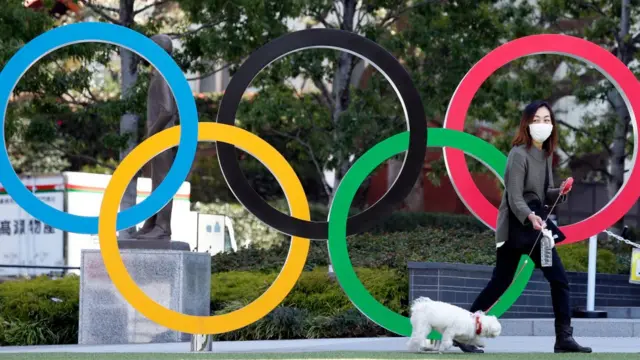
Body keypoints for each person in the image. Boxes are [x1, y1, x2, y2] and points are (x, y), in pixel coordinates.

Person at [454, 100, 592, 354]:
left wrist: (560, 193)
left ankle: (563, 338)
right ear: (527, 124)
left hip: (535, 226)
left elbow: (543, 196)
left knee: (551, 280)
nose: (542, 124)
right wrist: (530, 217)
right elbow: (514, 196)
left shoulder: (545, 155)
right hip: (518, 228)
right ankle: (463, 331)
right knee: (505, 283)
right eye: (537, 120)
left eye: (547, 120)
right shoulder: (518, 154)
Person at [131, 34, 179, 241]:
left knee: (162, 184)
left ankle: (162, 227)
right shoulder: (165, 74)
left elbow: (167, 110)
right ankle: (151, 224)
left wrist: (151, 135)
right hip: (163, 138)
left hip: (162, 138)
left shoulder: (162, 76)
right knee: (157, 184)